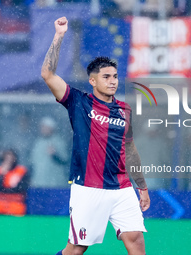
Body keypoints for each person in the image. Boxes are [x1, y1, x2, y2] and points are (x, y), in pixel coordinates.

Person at [41, 17, 150, 255]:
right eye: (106, 77)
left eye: (115, 77)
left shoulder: (124, 110)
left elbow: (129, 149)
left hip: (122, 187)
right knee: (77, 249)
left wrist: (141, 186)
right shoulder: (78, 101)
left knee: (135, 238)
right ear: (92, 81)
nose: (113, 81)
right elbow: (48, 74)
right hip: (89, 188)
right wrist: (59, 36)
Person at [30, 116, 69, 188]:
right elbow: (33, 161)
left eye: (45, 127)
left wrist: (55, 155)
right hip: (38, 182)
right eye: (42, 127)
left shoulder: (59, 142)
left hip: (54, 183)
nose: (42, 129)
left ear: (51, 128)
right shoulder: (38, 142)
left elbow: (65, 160)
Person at [0, 149, 30, 216]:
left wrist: (6, 190)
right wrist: (2, 175)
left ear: (15, 158)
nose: (9, 160)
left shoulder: (21, 171)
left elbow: (22, 188)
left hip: (16, 207)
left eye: (11, 157)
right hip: (0, 207)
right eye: (7, 158)